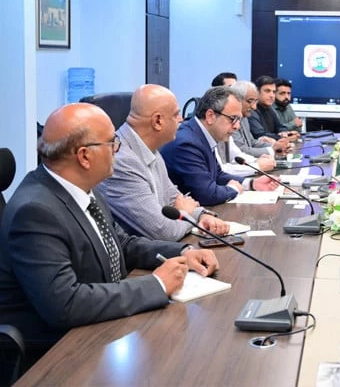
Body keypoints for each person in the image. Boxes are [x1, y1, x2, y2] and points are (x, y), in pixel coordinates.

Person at [0, 103, 219, 350]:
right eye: (112, 143)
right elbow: (65, 304)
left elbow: (121, 243)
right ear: (84, 156)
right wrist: (157, 284)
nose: (117, 149)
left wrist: (182, 252)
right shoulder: (35, 212)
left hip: (102, 327)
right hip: (59, 351)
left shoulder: (82, 188)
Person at [97, 84, 230, 241]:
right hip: (140, 254)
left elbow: (173, 198)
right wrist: (186, 214)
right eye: (176, 115)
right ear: (157, 121)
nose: (181, 120)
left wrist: (202, 216)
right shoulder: (122, 161)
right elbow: (163, 231)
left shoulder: (151, 150)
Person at [160, 86, 279, 205]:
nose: (237, 126)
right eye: (233, 119)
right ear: (210, 116)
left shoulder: (201, 134)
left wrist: (252, 184)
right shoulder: (187, 143)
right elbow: (206, 194)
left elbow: (217, 175)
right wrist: (234, 189)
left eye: (239, 120)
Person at [230, 81, 291, 158]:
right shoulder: (230, 120)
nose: (254, 107)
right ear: (237, 100)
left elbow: (252, 142)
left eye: (255, 101)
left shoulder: (244, 117)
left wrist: (276, 145)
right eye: (250, 101)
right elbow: (241, 151)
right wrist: (272, 150)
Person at [248, 75, 298, 141]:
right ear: (257, 92)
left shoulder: (270, 109)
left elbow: (279, 127)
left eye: (274, 92)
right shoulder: (251, 110)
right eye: (267, 91)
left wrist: (285, 133)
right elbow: (259, 135)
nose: (272, 95)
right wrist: (282, 137)